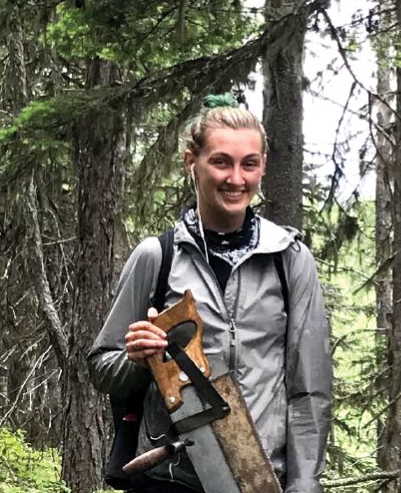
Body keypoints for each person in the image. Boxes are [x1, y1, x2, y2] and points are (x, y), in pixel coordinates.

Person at [88, 98, 333, 493]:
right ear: (192, 162)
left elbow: (309, 390)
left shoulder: (289, 260)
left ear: (262, 167)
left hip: (259, 479)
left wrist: (305, 484)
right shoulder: (158, 257)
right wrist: (136, 359)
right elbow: (102, 367)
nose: (236, 178)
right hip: (168, 479)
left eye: (248, 164)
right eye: (221, 162)